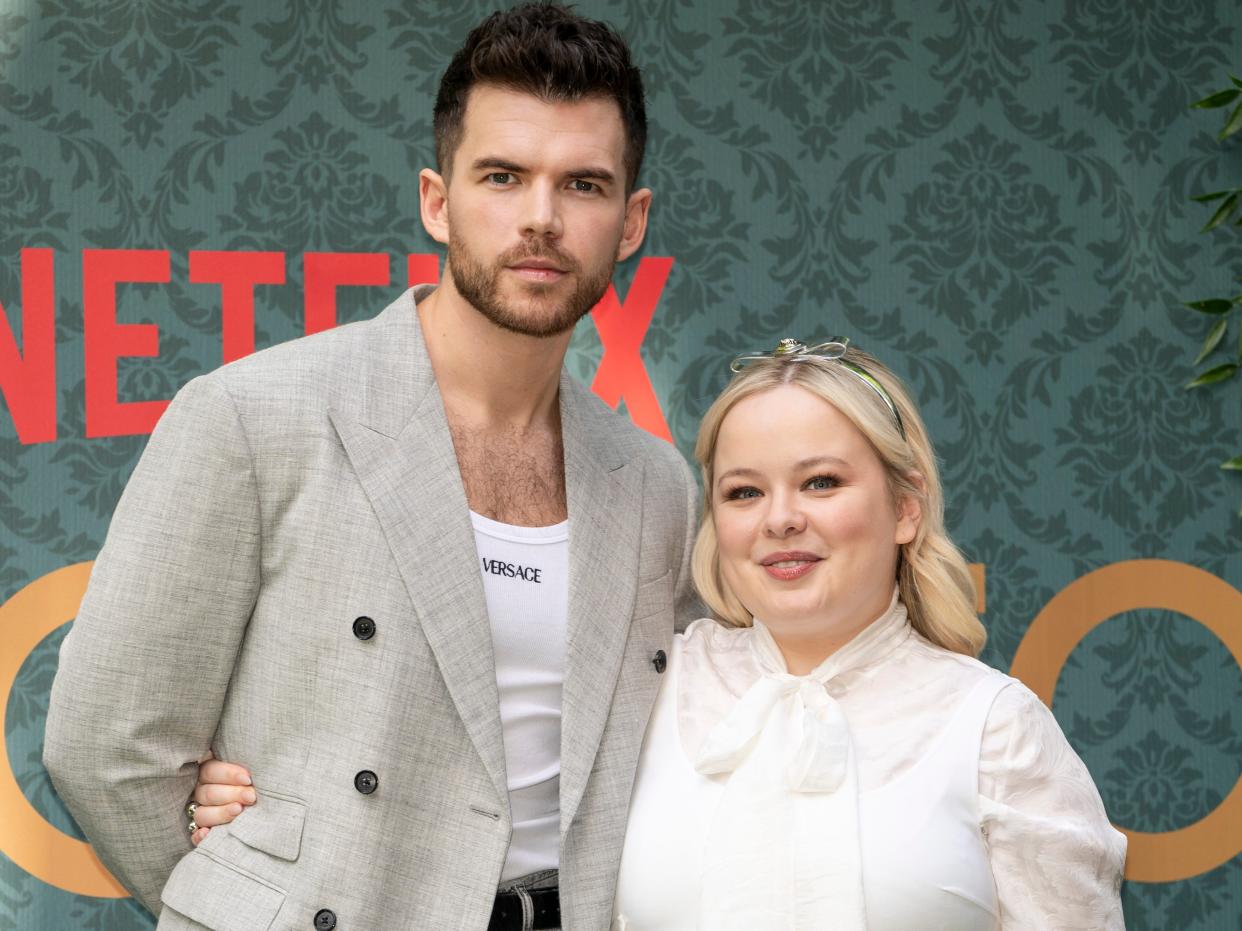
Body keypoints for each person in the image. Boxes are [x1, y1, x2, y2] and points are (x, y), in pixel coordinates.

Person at [42, 5, 698, 930]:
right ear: (437, 198)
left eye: (583, 185)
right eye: (503, 177)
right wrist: (247, 901)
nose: (542, 219)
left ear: (631, 222)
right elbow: (104, 741)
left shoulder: (655, 482)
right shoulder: (254, 417)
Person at [195, 336, 1129, 928]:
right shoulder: (651, 683)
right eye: (744, 491)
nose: (781, 519)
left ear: (904, 509)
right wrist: (256, 807)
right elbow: (468, 782)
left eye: (823, 483)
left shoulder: (994, 726)